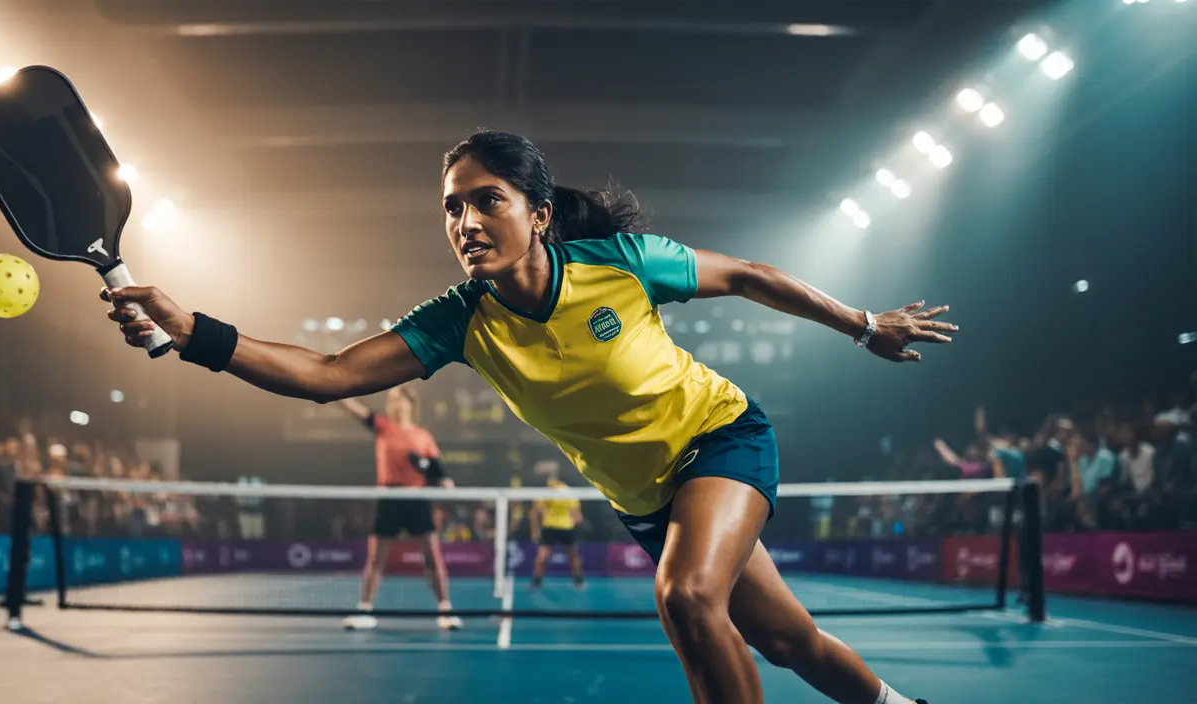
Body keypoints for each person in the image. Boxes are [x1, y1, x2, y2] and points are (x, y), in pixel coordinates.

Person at [101, 130, 951, 704]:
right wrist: (192, 333)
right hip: (644, 497)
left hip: (720, 440)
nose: (466, 221)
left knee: (689, 600)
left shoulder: (620, 263)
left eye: (487, 200)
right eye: (451, 207)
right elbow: (328, 374)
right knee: (788, 642)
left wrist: (865, 325)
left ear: (538, 214)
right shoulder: (460, 320)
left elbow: (753, 274)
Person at [335, 386, 463, 631]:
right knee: (376, 559)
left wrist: (446, 482)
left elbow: (437, 468)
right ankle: (364, 610)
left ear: (410, 403)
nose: (393, 404)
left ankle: (445, 610)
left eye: (398, 399)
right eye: (390, 400)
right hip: (389, 498)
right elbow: (354, 408)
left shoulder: (423, 435)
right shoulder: (384, 427)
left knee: (432, 557)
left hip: (417, 499)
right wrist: (333, 389)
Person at [529, 477, 584, 590]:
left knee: (573, 555)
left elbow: (577, 514)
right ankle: (537, 580)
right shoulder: (545, 494)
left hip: (567, 527)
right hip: (549, 527)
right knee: (543, 555)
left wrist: (577, 518)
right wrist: (535, 531)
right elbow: (536, 512)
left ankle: (578, 578)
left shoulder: (570, 493)